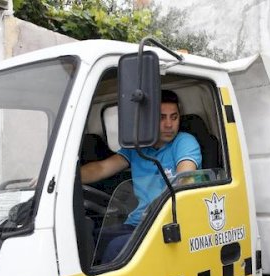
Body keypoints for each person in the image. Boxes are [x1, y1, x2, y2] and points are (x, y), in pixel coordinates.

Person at [81, 89, 201, 263]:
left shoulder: (184, 141)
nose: (169, 125)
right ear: (149, 121)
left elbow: (185, 178)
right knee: (92, 240)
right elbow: (101, 168)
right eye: (162, 118)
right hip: (137, 222)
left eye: (174, 117)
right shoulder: (138, 147)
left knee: (116, 248)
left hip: (167, 223)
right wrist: (65, 180)